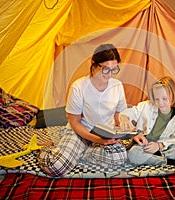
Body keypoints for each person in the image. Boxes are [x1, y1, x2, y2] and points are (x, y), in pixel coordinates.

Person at [38, 44, 128, 177]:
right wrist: (98, 141)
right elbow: (75, 123)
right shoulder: (78, 87)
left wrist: (125, 124)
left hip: (105, 135)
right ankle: (49, 149)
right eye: (105, 69)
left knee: (119, 157)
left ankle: (79, 153)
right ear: (93, 64)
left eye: (114, 69)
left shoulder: (117, 86)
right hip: (80, 132)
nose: (110, 74)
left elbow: (119, 115)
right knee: (55, 167)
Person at [119, 76, 175, 167]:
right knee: (133, 155)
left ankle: (154, 157)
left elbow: (174, 139)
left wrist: (159, 145)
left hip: (161, 148)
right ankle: (170, 162)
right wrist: (124, 117)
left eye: (164, 98)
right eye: (157, 99)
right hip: (143, 145)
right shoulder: (145, 106)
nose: (160, 103)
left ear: (173, 96)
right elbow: (129, 113)